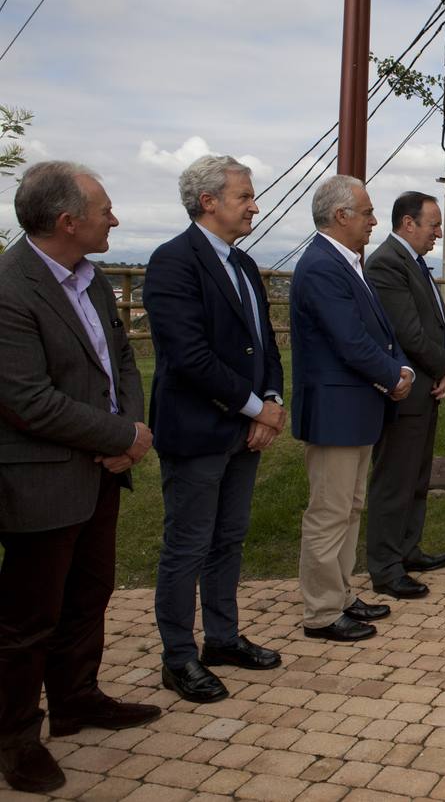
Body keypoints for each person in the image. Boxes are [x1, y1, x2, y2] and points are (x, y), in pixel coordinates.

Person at [0, 162, 160, 793]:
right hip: (41, 481)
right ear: (68, 222)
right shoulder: (11, 290)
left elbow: (121, 358)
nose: (114, 220)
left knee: (89, 593)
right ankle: (16, 739)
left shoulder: (91, 282)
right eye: (105, 210)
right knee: (26, 618)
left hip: (100, 472)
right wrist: (119, 436)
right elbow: (25, 398)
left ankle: (76, 699)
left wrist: (132, 432)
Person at [143, 155, 288, 704]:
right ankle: (178, 657)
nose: (255, 205)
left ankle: (222, 639)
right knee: (188, 546)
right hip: (198, 430)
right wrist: (255, 408)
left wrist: (271, 397)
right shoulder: (172, 262)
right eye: (244, 196)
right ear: (208, 202)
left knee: (229, 539)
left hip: (244, 430)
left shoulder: (246, 265)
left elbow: (265, 342)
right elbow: (187, 357)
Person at [290, 175, 412, 641]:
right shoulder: (322, 265)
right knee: (329, 511)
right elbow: (349, 340)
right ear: (341, 216)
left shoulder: (347, 263)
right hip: (335, 412)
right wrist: (394, 375)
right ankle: (321, 612)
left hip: (358, 409)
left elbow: (379, 333)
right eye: (366, 213)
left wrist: (399, 368)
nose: (374, 221)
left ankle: (340, 594)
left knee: (350, 508)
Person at [365, 191, 445, 599]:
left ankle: (407, 549)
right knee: (395, 481)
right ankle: (385, 567)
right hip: (403, 391)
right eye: (433, 224)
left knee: (417, 477)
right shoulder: (387, 263)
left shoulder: (414, 263)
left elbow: (431, 325)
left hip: (425, 389)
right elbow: (409, 333)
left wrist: (440, 368)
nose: (439, 233)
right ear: (408, 224)